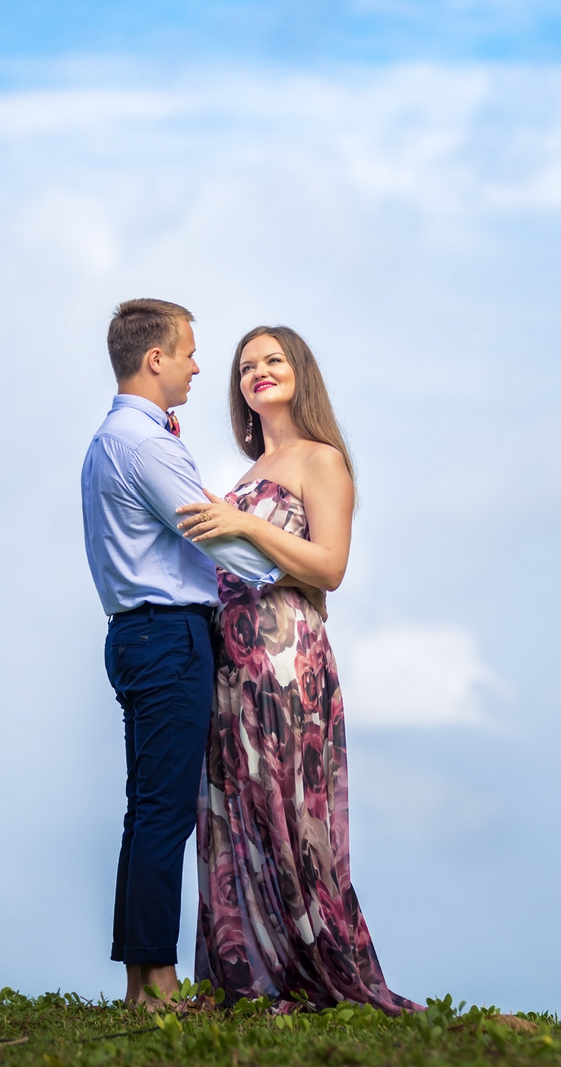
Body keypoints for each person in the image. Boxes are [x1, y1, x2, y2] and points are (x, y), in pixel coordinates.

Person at [175, 326, 418, 1013]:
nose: (258, 372)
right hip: (233, 666)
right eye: (247, 365)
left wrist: (246, 527)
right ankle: (249, 976)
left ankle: (314, 968)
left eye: (272, 360)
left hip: (288, 661)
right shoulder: (245, 474)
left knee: (290, 813)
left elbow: (330, 567)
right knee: (239, 809)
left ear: (298, 371)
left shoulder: (321, 460)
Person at [81, 299, 289, 1005]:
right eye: (191, 351)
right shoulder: (144, 443)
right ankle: (160, 979)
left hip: (140, 632)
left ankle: (143, 977)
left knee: (149, 807)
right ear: (155, 359)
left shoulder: (115, 439)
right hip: (168, 633)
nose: (202, 365)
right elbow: (210, 530)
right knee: (166, 810)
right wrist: (287, 569)